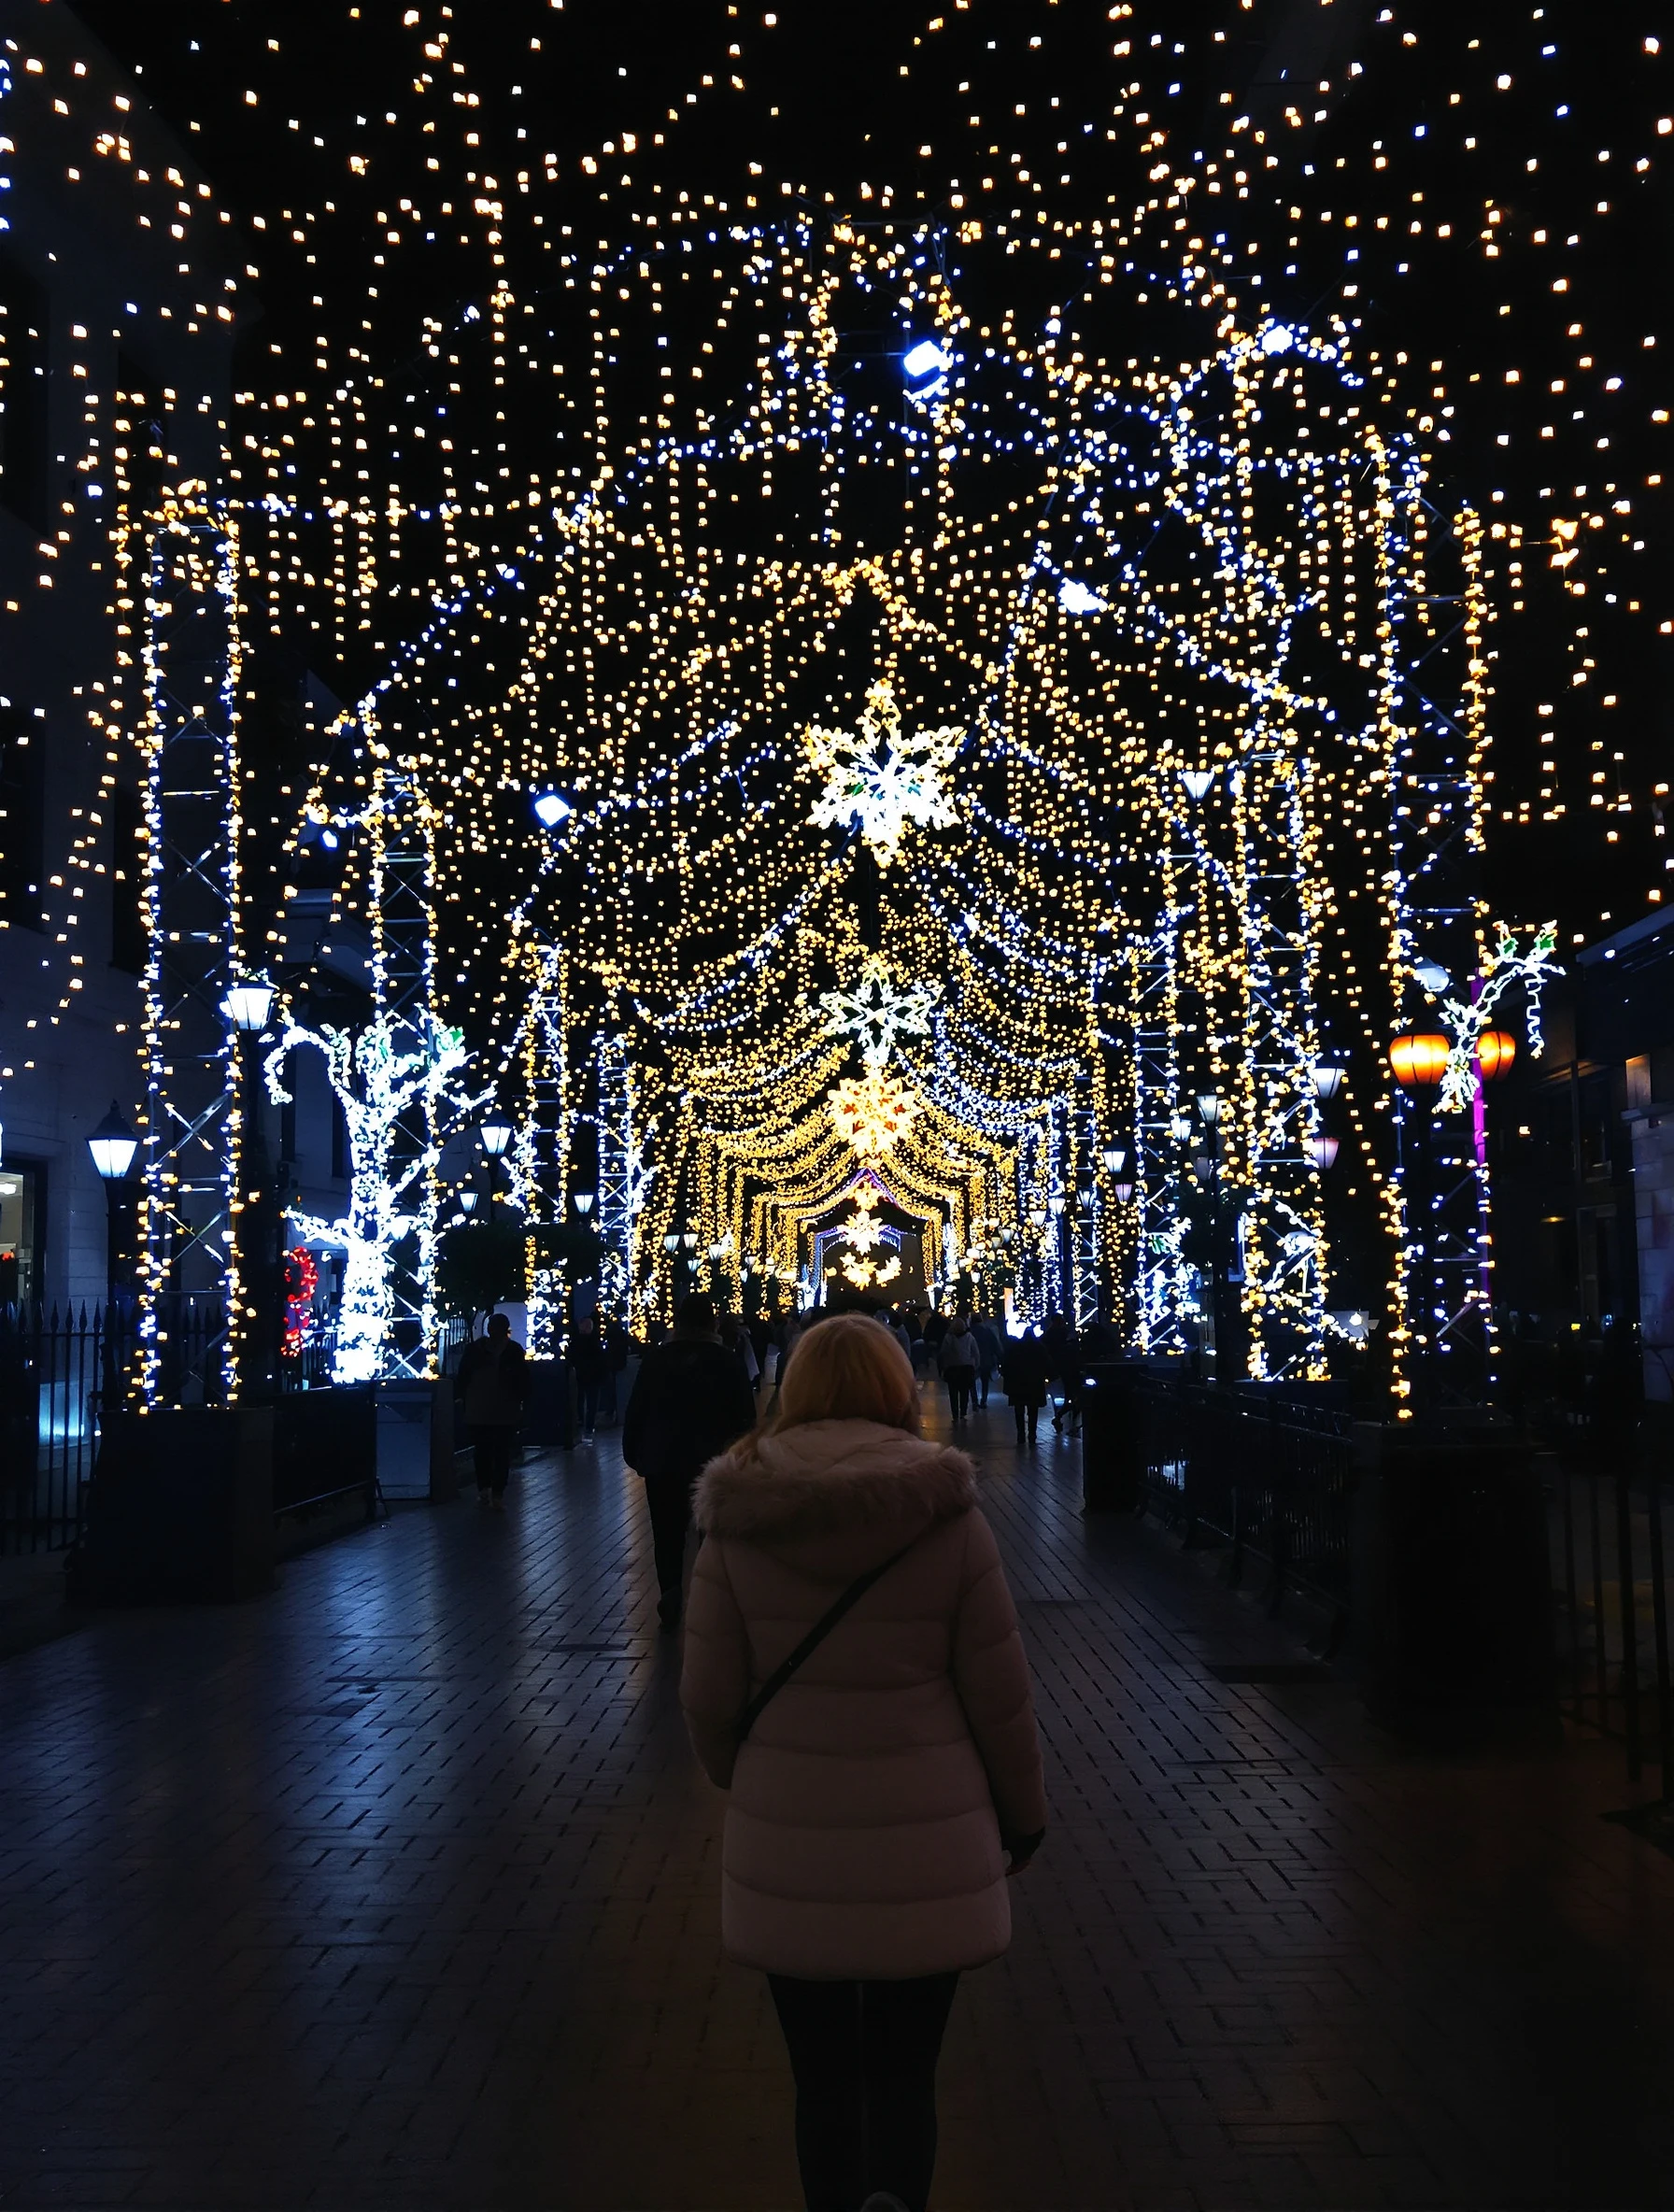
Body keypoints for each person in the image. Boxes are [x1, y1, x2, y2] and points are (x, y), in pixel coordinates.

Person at [682, 1313, 1046, 2212]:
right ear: (894, 1387)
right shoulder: (946, 1513)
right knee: (904, 2076)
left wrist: (749, 1771)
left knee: (822, 2082)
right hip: (928, 1837)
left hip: (790, 1839)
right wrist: (1023, 1812)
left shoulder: (738, 1519)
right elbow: (1000, 1696)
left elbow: (706, 1696)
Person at [621, 1294, 758, 1629]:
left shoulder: (656, 1360)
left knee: (666, 1533)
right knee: (709, 1531)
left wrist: (635, 1454)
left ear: (677, 1324)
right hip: (711, 1462)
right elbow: (745, 1417)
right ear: (712, 1323)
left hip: (662, 1460)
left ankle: (670, 1589)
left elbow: (637, 1409)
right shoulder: (727, 1361)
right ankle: (706, 1595)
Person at [454, 1312, 528, 1508]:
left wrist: (462, 1398)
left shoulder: (475, 1351)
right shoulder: (513, 1351)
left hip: (480, 1408)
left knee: (484, 1450)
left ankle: (486, 1489)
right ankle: (496, 1492)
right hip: (503, 1409)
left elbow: (463, 1377)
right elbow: (523, 1381)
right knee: (499, 1451)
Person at [1001, 1324, 1049, 1448]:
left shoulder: (1015, 1347)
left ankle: (1020, 1434)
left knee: (1019, 1410)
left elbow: (1007, 1364)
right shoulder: (1039, 1347)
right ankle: (1032, 1435)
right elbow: (1047, 1363)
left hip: (1018, 1384)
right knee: (1033, 1410)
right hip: (1035, 1383)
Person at [936, 1312, 979, 1425]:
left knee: (953, 1392)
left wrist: (942, 1367)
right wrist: (976, 1365)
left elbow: (943, 1353)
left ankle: (955, 1413)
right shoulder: (969, 1337)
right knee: (964, 1391)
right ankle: (963, 1412)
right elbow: (975, 1352)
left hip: (952, 1368)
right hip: (966, 1368)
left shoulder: (948, 1337)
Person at [571, 1312, 605, 1442]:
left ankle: (580, 1424)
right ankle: (588, 1427)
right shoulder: (595, 1343)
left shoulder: (575, 1342)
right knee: (592, 1403)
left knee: (579, 1401)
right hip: (593, 1377)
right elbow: (601, 1361)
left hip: (580, 1376)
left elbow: (571, 1358)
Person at [971, 1312, 1003, 1409]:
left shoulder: (970, 1332)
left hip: (973, 1361)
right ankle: (983, 1400)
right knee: (985, 1381)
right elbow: (995, 1345)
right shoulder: (987, 1331)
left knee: (972, 1382)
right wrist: (1000, 1358)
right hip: (986, 1360)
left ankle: (974, 1401)